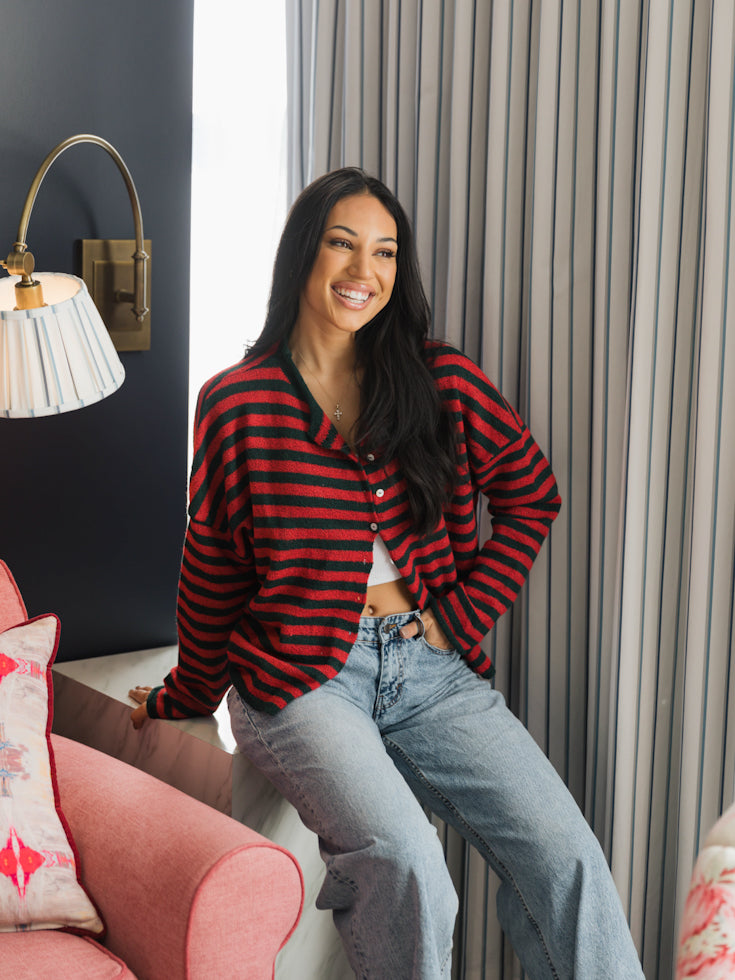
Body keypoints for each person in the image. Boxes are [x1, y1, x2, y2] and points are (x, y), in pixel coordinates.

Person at [130, 168, 644, 979]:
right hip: (303, 680)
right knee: (408, 867)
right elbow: (214, 568)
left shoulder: (439, 381)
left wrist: (462, 610)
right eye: (342, 243)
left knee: (567, 858)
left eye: (384, 252)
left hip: (433, 669)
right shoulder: (236, 402)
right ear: (303, 252)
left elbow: (530, 496)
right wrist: (183, 696)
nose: (362, 272)